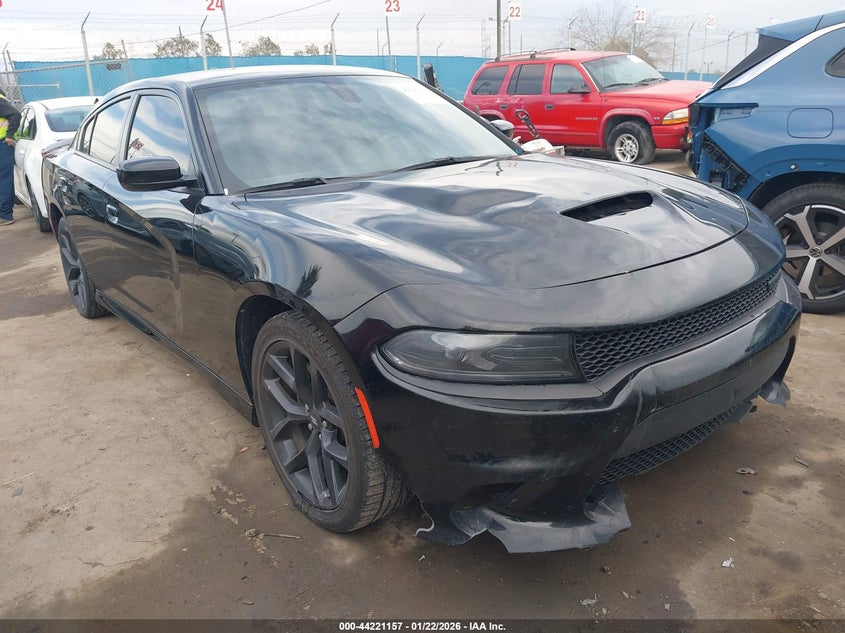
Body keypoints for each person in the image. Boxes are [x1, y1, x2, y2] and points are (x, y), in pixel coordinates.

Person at [0, 90, 22, 226]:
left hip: (3, 143)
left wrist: (9, 135)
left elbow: (15, 114)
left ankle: (5, 214)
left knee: (4, 179)